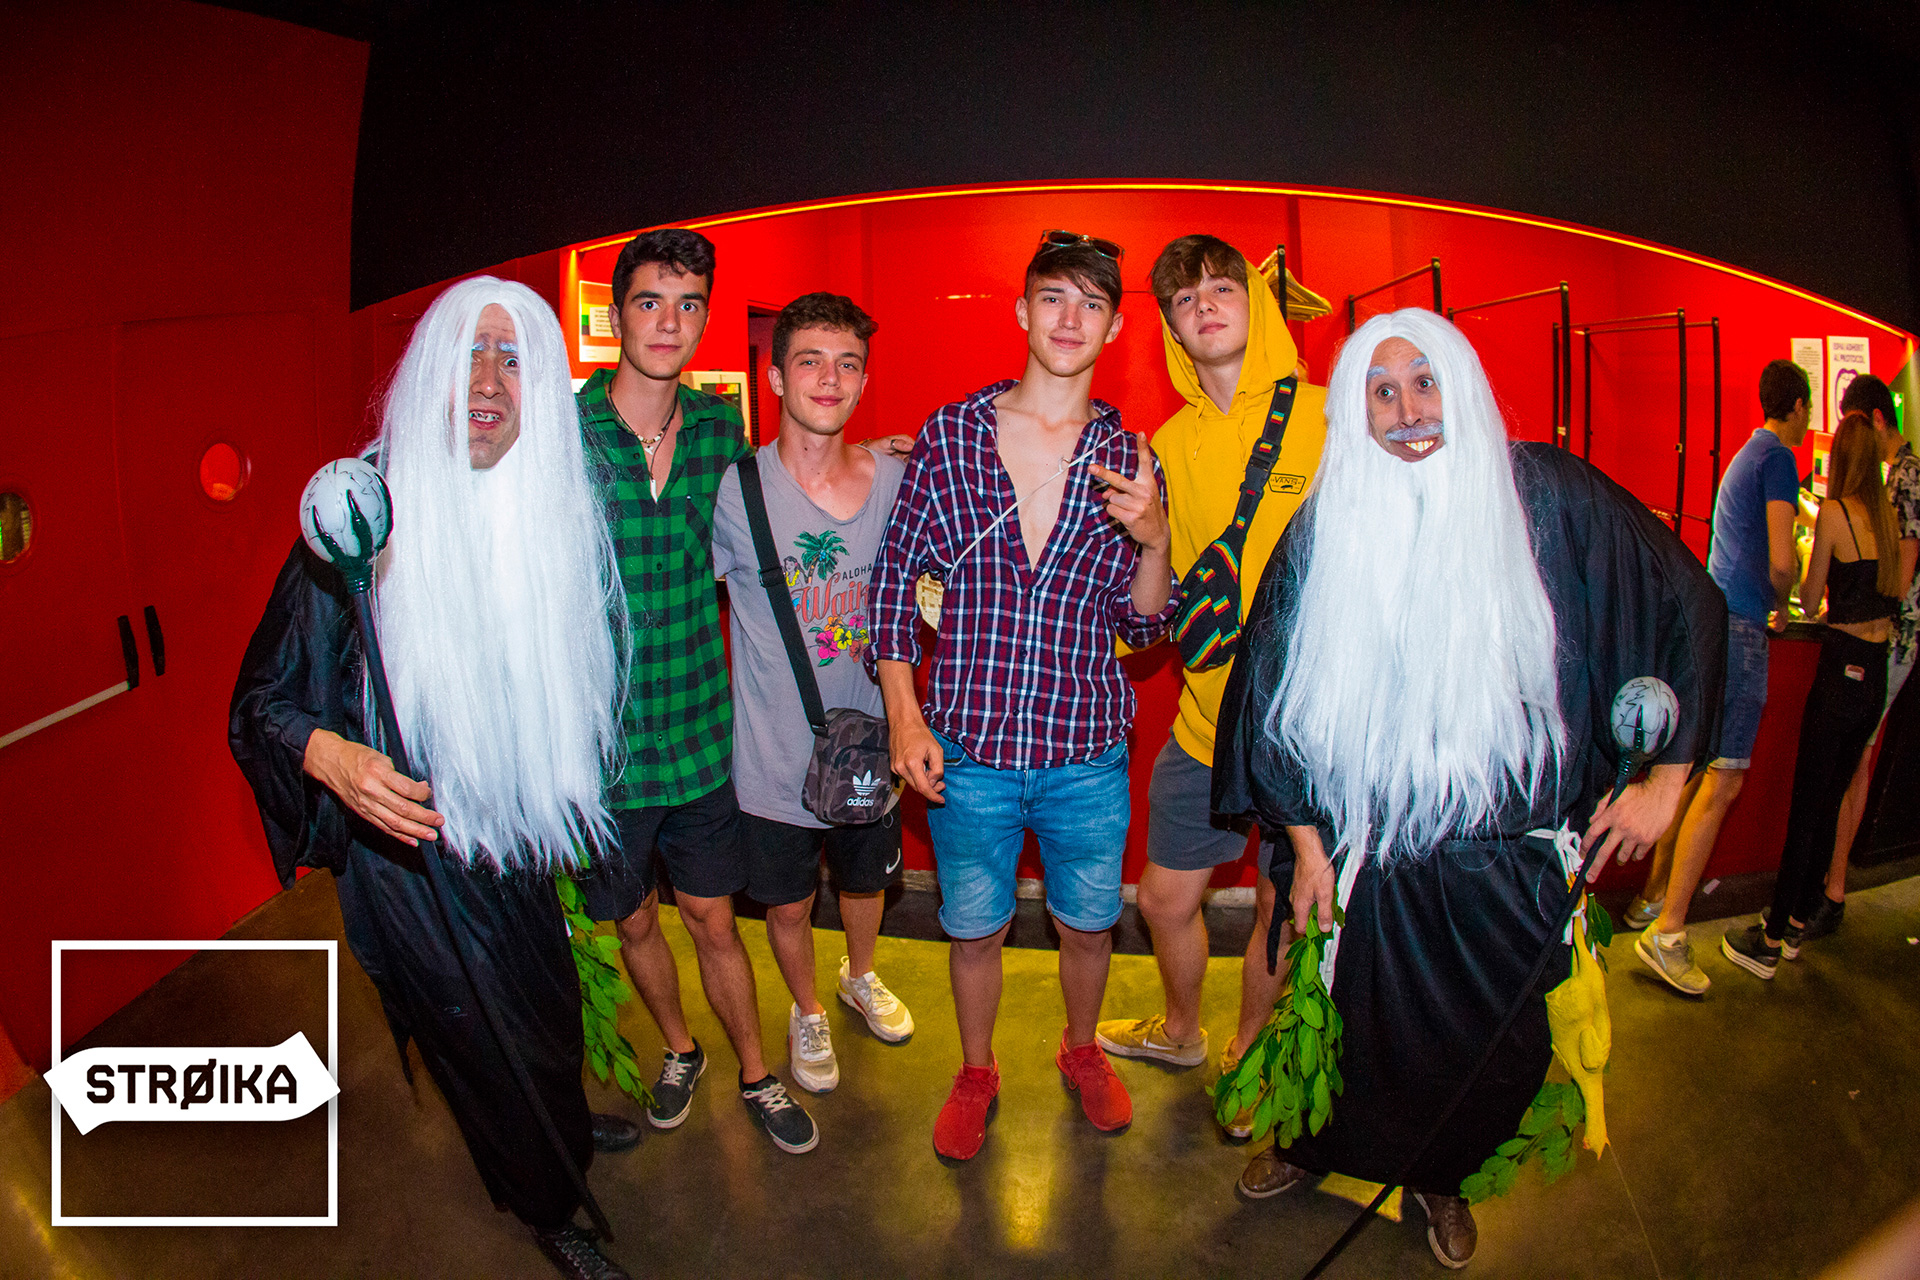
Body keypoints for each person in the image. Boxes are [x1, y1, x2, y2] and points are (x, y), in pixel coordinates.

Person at [1215, 309, 1723, 1268]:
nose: (1409, 411)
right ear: (1356, 412)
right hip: (1369, 857)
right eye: (1382, 391)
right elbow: (1270, 686)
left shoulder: (1549, 495)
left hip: (1506, 864)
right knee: (1343, 1028)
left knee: (1487, 1045)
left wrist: (1668, 780)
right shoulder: (1327, 524)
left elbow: (1685, 598)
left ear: (1462, 386)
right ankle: (1311, 1148)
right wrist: (1308, 847)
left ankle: (1440, 1179)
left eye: (1426, 382)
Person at [231, 277, 636, 1280]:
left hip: (508, 838)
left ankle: (558, 1127)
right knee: (484, 1042)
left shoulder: (542, 506)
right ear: (430, 377)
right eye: (469, 356)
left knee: (543, 1010)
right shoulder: (364, 514)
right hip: (411, 858)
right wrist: (334, 757)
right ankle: (547, 1205)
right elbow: (261, 700)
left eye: (513, 360)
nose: (489, 381)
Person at [870, 231, 1178, 1160]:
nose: (1070, 319)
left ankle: (1081, 1050)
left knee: (1089, 927)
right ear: (1023, 312)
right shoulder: (952, 436)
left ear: (1114, 327)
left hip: (1087, 753)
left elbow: (1144, 627)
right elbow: (893, 584)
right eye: (1054, 298)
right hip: (969, 751)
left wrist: (1157, 542)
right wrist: (904, 718)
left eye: (1092, 304)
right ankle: (977, 1070)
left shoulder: (1131, 456)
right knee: (974, 932)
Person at [573, 229, 816, 1153]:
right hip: (601, 754)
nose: (668, 323)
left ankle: (756, 1071)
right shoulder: (563, 432)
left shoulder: (721, 431)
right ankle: (681, 1049)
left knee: (716, 918)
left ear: (706, 319)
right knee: (634, 919)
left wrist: (866, 457)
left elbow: (785, 496)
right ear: (618, 315)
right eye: (649, 302)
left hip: (702, 738)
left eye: (687, 306)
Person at [1092, 236, 1327, 1134]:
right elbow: (1158, 602)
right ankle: (1183, 1032)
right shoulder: (1167, 445)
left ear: (1255, 302)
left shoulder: (1328, 417)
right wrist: (1152, 540)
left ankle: (1250, 1050)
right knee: (1163, 898)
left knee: (1281, 902)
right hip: (1207, 722)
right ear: (1170, 327)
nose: (1206, 308)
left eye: (1223, 289)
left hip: (1309, 731)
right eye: (1185, 300)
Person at [711, 292, 914, 1094]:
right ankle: (807, 1009)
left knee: (866, 884)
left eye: (848, 363)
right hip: (773, 757)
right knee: (789, 905)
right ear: (774, 377)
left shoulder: (898, 480)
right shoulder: (732, 492)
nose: (830, 379)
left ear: (863, 379)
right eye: (810, 361)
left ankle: (858, 976)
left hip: (873, 744)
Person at [1626, 359, 1810, 995]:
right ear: (1798, 407)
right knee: (1724, 778)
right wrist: (1785, 600)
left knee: (1700, 770)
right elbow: (1783, 561)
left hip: (1714, 622)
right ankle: (1669, 933)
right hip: (1742, 627)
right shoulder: (1779, 458)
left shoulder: (1745, 455)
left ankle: (1652, 901)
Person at [1724, 412, 1910, 976]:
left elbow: (1806, 599)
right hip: (1874, 675)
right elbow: (1891, 592)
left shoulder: (1834, 514)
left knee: (1806, 806)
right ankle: (1797, 925)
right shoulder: (1889, 520)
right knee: (1829, 806)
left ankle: (1770, 939)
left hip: (1838, 672)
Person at [1815, 374, 1919, 938]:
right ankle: (1827, 885)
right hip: (1884, 641)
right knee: (1853, 760)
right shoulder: (1894, 481)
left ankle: (1830, 889)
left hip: (1888, 642)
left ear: (1876, 420)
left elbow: (1898, 581)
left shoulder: (1905, 477)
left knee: (1854, 761)